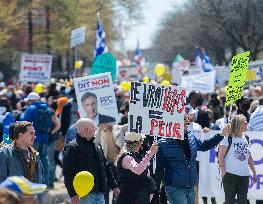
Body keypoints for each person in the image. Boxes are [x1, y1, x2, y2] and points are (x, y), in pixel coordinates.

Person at [154, 113, 230, 204]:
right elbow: (159, 170)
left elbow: (205, 145)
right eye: (184, 119)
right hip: (175, 188)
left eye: (187, 119)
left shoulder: (191, 137)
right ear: (174, 122)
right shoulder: (162, 144)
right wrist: (155, 191)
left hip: (191, 187)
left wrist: (221, 134)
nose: (188, 121)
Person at [63, 118, 119, 204]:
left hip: (100, 193)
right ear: (87, 129)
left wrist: (114, 186)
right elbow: (68, 174)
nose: (96, 129)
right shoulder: (72, 148)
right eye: (94, 127)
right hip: (84, 195)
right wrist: (73, 195)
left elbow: (106, 167)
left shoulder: (97, 146)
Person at [218, 114, 257, 204]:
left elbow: (249, 156)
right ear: (239, 124)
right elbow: (220, 156)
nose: (247, 124)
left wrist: (254, 172)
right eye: (245, 122)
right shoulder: (228, 138)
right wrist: (223, 172)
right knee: (229, 201)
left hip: (244, 176)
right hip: (230, 175)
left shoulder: (246, 138)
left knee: (243, 201)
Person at [20, 92, 53, 185]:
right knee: (44, 160)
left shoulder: (31, 108)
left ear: (31, 100)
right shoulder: (47, 109)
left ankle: (32, 183)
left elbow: (23, 121)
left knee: (31, 160)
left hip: (33, 139)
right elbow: (50, 124)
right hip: (45, 139)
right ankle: (45, 182)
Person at [116, 132, 158, 204]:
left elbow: (145, 173)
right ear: (135, 144)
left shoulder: (136, 155)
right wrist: (150, 154)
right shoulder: (127, 157)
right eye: (140, 143)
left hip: (139, 196)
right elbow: (138, 170)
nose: (141, 145)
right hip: (129, 197)